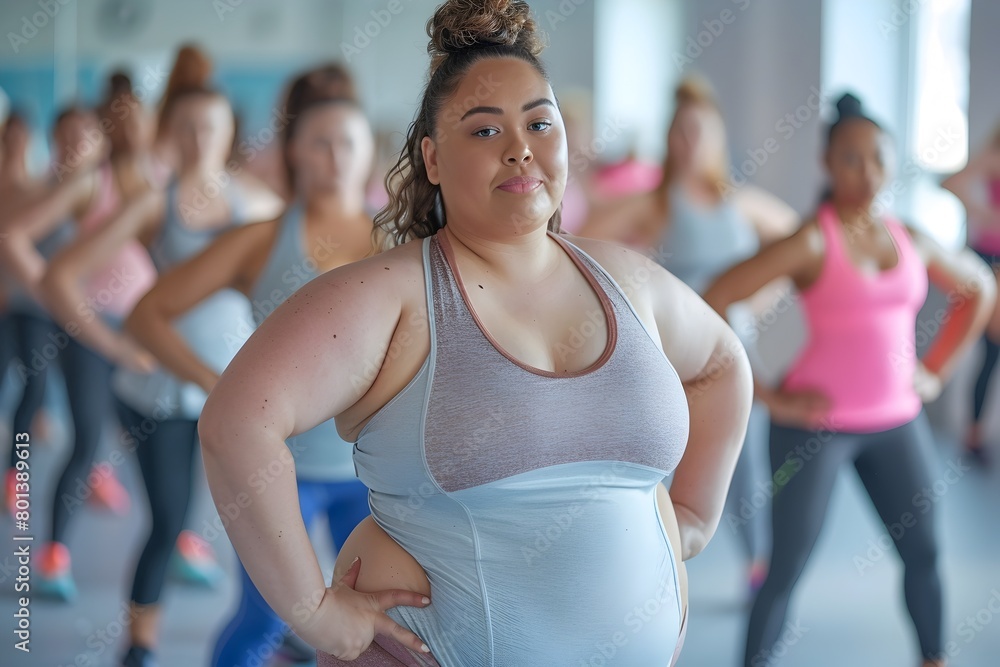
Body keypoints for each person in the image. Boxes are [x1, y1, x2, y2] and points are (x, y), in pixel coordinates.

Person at [199, 1, 753, 665]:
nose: (520, 146)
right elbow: (236, 422)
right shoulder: (390, 294)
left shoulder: (626, 279)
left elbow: (724, 363)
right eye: (484, 131)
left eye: (539, 122)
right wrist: (314, 613)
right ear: (431, 158)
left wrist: (691, 513)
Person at [703, 92, 996, 667]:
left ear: (892, 162)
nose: (867, 174)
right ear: (828, 164)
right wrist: (768, 396)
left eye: (878, 159)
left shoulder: (908, 236)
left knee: (925, 554)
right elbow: (714, 297)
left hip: (897, 422)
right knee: (785, 567)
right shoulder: (813, 239)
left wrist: (934, 372)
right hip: (817, 428)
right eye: (851, 160)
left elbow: (979, 289)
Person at [123, 62, 376, 667]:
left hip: (371, 472)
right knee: (266, 619)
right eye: (321, 142)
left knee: (375, 624)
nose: (336, 156)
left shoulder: (398, 239)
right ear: (293, 152)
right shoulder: (260, 240)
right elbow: (148, 313)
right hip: (274, 470)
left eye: (349, 142)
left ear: (370, 152)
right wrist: (218, 386)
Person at [40, 75, 283, 666]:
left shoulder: (260, 203)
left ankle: (276, 623)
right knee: (170, 519)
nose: (200, 139)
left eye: (211, 126)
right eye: (188, 128)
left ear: (229, 132)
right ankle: (140, 644)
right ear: (171, 134)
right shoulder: (156, 202)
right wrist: (118, 347)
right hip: (164, 389)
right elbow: (59, 277)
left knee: (260, 514)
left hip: (238, 387)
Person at [583, 75, 798, 594]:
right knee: (664, 451)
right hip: (678, 355)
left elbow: (796, 240)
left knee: (744, 462)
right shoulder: (658, 202)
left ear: (718, 136)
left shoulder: (738, 200)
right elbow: (583, 236)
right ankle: (649, 557)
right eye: (680, 131)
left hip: (737, 348)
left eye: (698, 130)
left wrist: (758, 296)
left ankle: (758, 564)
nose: (688, 141)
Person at [942, 122, 1000, 464]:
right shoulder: (994, 156)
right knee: (990, 351)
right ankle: (973, 434)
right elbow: (949, 182)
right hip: (990, 260)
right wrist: (984, 214)